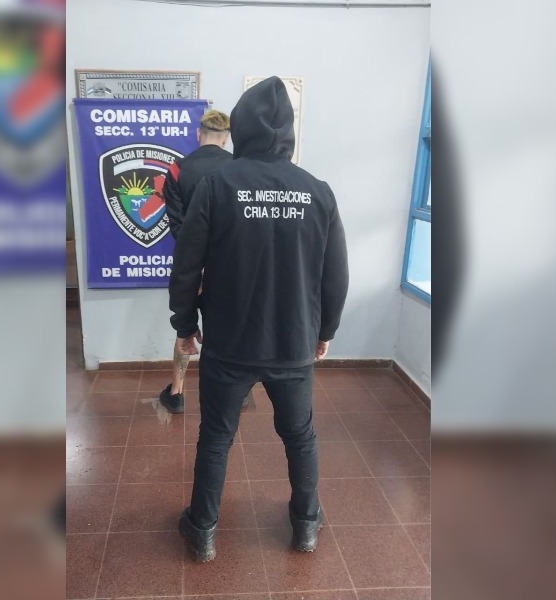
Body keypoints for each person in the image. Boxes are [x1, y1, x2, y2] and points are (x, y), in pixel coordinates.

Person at [169, 77, 349, 562]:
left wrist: (184, 325)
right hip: (294, 342)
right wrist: (325, 331)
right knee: (300, 436)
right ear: (288, 130)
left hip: (229, 343)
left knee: (216, 437)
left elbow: (186, 267)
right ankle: (305, 525)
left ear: (241, 128)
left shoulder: (216, 186)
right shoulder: (318, 192)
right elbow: (335, 275)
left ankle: (203, 531)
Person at [159, 109, 232, 414]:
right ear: (226, 139)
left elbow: (177, 225)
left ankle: (176, 393)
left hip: (192, 265)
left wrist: (195, 262)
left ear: (198, 134)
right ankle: (235, 393)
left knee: (185, 329)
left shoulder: (177, 169)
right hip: (229, 266)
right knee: (228, 328)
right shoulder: (238, 168)